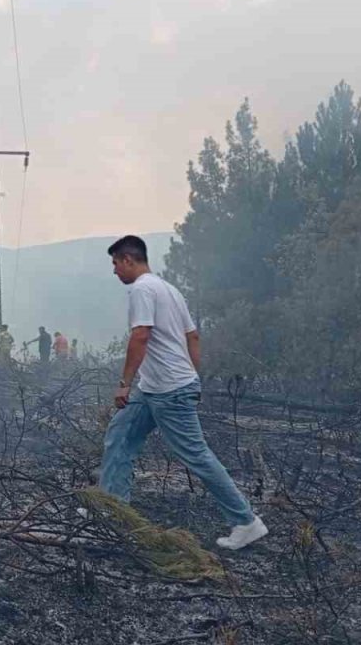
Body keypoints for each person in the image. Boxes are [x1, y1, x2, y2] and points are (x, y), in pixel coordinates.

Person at [98, 235, 267, 550]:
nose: (114, 271)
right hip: (154, 389)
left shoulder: (142, 290)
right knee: (119, 435)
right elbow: (193, 336)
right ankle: (112, 507)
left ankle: (246, 522)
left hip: (168, 391)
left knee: (197, 456)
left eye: (115, 264)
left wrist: (124, 382)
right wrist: (193, 376)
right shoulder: (169, 290)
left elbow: (140, 336)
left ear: (128, 260)